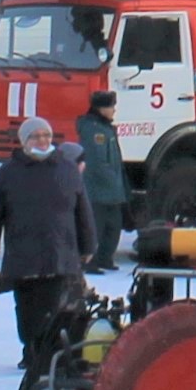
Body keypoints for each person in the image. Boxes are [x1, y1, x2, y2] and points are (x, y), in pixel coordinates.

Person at [0, 114, 100, 390]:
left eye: (46, 135)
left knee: (60, 315)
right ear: (24, 141)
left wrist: (89, 245)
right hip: (24, 259)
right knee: (28, 315)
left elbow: (82, 211)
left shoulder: (66, 169)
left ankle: (47, 362)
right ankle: (31, 356)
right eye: (35, 137)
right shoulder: (10, 173)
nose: (42, 141)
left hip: (61, 257)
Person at [74, 89, 128, 266]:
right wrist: (114, 183)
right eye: (111, 106)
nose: (114, 110)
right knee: (96, 226)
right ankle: (91, 261)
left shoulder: (106, 128)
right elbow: (97, 162)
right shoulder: (94, 130)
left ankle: (105, 258)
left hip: (112, 190)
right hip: (99, 190)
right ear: (101, 109)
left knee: (113, 226)